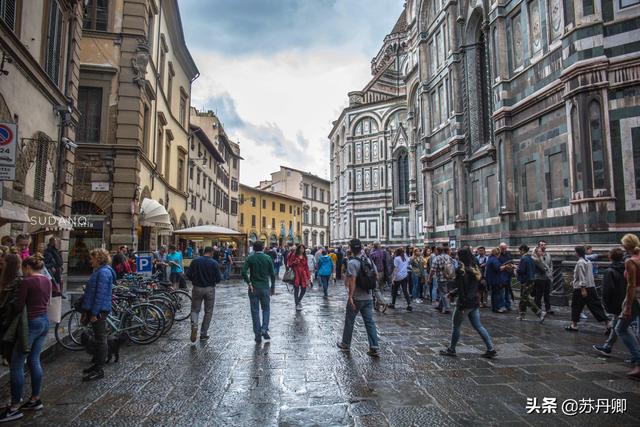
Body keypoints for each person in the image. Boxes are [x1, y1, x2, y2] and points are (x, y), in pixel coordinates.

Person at [0, 255, 53, 422]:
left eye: (24, 269)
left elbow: (18, 305)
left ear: (28, 268)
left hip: (29, 323)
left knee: (17, 364)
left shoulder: (27, 282)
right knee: (34, 360)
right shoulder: (47, 280)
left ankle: (14, 407)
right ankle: (35, 399)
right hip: (44, 321)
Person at [439, 248, 496, 359]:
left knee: (456, 326)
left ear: (461, 257)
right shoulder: (475, 268)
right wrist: (453, 293)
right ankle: (491, 349)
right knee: (478, 326)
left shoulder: (462, 271)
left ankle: (451, 349)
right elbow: (473, 287)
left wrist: (461, 305)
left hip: (465, 302)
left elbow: (462, 289)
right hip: (474, 301)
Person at [336, 239, 379, 357]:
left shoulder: (352, 262)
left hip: (356, 297)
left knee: (349, 321)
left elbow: (352, 281)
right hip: (368, 297)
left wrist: (350, 297)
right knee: (369, 322)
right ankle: (374, 346)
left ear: (350, 248)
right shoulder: (368, 259)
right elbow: (376, 275)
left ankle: (345, 344)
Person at [80, 249, 115, 381]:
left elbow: (100, 294)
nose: (90, 261)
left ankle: (99, 369)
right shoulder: (100, 271)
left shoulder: (103, 273)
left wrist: (95, 313)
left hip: (100, 310)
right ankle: (96, 365)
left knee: (101, 339)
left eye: (92, 258)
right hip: (97, 308)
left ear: (99, 259)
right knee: (97, 337)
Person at [565, 246, 610, 332]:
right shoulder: (588, 261)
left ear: (577, 253)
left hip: (581, 288)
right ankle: (608, 323)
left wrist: (582, 288)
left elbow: (582, 276)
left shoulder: (580, 262)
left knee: (576, 306)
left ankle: (574, 325)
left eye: (575, 252)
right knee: (596, 306)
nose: (574, 253)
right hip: (591, 287)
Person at [592, 247, 627, 357]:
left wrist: (606, 304)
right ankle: (608, 346)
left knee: (622, 327)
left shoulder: (609, 271)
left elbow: (608, 290)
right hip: (626, 300)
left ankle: (636, 354)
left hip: (618, 303)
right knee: (618, 324)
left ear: (610, 257)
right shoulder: (626, 268)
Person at [242, 241, 276, 343]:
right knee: (266, 309)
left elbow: (243, 272)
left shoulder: (250, 258)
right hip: (265, 287)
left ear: (254, 248)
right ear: (263, 248)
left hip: (253, 288)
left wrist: (249, 283)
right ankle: (264, 329)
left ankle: (257, 334)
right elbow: (273, 274)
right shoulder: (268, 258)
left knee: (255, 311)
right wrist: (272, 287)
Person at [616, 234, 640, 379]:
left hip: (636, 298)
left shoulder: (631, 261)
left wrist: (628, 307)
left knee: (621, 328)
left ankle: (638, 361)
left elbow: (631, 286)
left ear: (627, 246)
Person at [186, 247, 222, 342]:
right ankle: (203, 333)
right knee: (208, 311)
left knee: (195, 310)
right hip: (209, 289)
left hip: (197, 288)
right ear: (211, 252)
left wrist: (194, 280)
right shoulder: (214, 263)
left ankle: (194, 326)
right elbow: (218, 278)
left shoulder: (195, 261)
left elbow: (188, 274)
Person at [516, 244, 545, 322]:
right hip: (531, 280)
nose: (519, 252)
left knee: (525, 299)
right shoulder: (530, 258)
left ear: (522, 250)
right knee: (523, 298)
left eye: (520, 250)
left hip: (526, 281)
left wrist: (515, 268)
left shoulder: (524, 258)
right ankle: (522, 314)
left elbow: (521, 270)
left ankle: (540, 313)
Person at [429, 247, 455, 314]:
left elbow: (433, 270)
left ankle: (447, 309)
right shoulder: (449, 257)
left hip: (441, 278)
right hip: (450, 278)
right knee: (444, 292)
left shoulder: (436, 258)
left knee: (443, 293)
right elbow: (453, 266)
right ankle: (440, 306)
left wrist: (429, 278)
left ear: (438, 251)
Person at [288, 244, 311, 310]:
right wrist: (295, 262)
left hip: (303, 275)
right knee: (296, 290)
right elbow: (289, 264)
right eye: (300, 248)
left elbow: (306, 267)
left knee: (304, 289)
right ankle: (297, 304)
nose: (302, 250)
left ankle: (298, 300)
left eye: (303, 249)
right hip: (296, 274)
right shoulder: (294, 255)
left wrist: (308, 276)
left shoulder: (305, 256)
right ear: (298, 249)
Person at [537, 240, 553, 314]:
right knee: (539, 294)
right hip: (540, 278)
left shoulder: (548, 254)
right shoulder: (537, 255)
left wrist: (550, 273)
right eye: (541, 245)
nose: (543, 246)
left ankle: (548, 308)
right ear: (539, 246)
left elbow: (551, 265)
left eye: (544, 245)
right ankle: (538, 308)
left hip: (547, 278)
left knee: (547, 294)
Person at [497, 243, 514, 312]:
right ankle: (502, 305)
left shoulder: (508, 253)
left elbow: (511, 261)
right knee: (501, 292)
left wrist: (511, 266)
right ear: (500, 248)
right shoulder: (498, 255)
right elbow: (497, 266)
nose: (504, 250)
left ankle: (508, 305)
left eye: (505, 248)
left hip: (508, 274)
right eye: (503, 248)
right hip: (501, 276)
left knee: (508, 291)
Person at [485, 248, 503, 312]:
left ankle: (494, 308)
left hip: (491, 280)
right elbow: (497, 268)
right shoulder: (494, 260)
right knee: (496, 294)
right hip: (495, 280)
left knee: (493, 294)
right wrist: (504, 267)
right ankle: (496, 308)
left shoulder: (490, 258)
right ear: (498, 253)